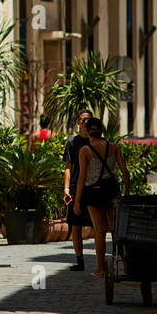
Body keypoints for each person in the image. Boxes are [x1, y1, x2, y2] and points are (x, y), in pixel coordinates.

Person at [73, 117, 130, 278]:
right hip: (112, 191)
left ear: (87, 131)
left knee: (100, 231)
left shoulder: (85, 150)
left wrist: (77, 201)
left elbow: (82, 177)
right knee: (117, 229)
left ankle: (100, 269)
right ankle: (126, 267)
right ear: (102, 130)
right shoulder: (113, 147)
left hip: (94, 192)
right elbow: (125, 171)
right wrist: (127, 192)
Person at [61, 109, 94, 271]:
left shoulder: (97, 141)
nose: (85, 123)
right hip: (75, 186)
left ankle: (104, 260)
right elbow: (68, 167)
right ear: (78, 122)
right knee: (76, 224)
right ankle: (79, 259)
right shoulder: (72, 142)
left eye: (88, 120)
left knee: (99, 224)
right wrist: (66, 188)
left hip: (94, 185)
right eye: (82, 120)